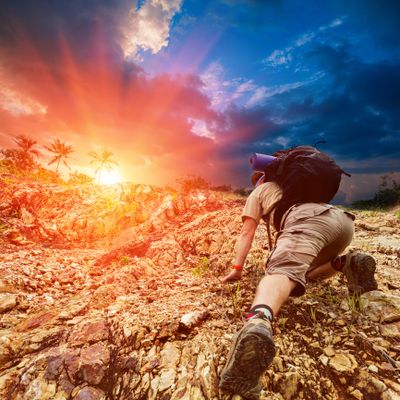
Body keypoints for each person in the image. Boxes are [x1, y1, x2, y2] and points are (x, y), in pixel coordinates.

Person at [219, 178, 378, 400]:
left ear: (259, 180)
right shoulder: (299, 184)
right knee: (303, 272)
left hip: (308, 223)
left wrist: (237, 268)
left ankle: (257, 322)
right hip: (342, 224)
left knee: (283, 272)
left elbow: (247, 232)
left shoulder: (260, 191)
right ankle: (346, 263)